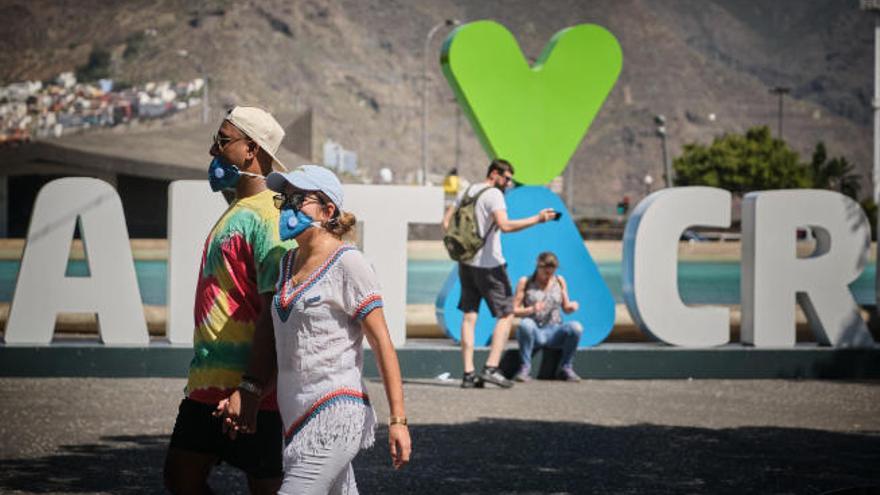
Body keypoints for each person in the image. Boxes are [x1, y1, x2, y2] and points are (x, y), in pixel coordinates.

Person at [218, 165, 411, 494]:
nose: (288, 206)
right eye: (285, 198)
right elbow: (292, 351)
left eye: (298, 198)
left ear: (328, 209)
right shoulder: (286, 263)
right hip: (294, 420)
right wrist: (250, 394)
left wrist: (398, 421)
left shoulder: (349, 263)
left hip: (335, 413)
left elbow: (382, 344)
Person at [164, 106, 295, 494]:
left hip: (251, 392)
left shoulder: (270, 218)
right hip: (209, 384)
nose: (211, 151)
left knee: (265, 487)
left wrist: (252, 389)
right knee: (181, 476)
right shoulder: (238, 209)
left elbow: (276, 308)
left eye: (222, 141)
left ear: (251, 149)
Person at [442, 159, 556, 389]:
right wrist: (538, 218)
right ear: (494, 173)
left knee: (469, 316)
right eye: (506, 178)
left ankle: (468, 373)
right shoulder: (494, 194)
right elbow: (505, 225)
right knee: (506, 314)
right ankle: (491, 368)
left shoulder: (466, 191)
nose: (509, 183)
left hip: (466, 263)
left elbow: (446, 223)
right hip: (491, 265)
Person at [512, 252, 583, 382]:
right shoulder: (525, 282)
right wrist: (531, 309)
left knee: (576, 327)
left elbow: (566, 307)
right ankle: (525, 368)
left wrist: (571, 307)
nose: (548, 276)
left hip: (554, 330)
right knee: (525, 325)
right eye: (545, 273)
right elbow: (513, 310)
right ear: (538, 267)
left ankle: (566, 367)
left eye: (551, 273)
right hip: (535, 331)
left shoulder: (559, 280)